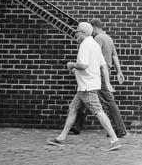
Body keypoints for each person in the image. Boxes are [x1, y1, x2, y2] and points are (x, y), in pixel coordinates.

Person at [47, 21, 122, 151]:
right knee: (73, 108)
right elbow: (103, 66)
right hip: (86, 86)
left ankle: (114, 140)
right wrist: (108, 83)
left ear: (82, 32)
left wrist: (71, 64)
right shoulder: (94, 44)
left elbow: (83, 65)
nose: (75, 34)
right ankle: (61, 138)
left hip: (87, 87)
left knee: (98, 112)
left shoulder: (85, 45)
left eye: (76, 31)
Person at [89, 17, 127, 138]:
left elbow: (94, 55)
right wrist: (119, 71)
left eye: (91, 29)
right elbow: (115, 56)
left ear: (95, 27)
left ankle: (120, 129)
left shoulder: (98, 38)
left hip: (99, 72)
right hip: (106, 71)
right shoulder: (109, 38)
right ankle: (75, 126)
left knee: (108, 100)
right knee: (85, 97)